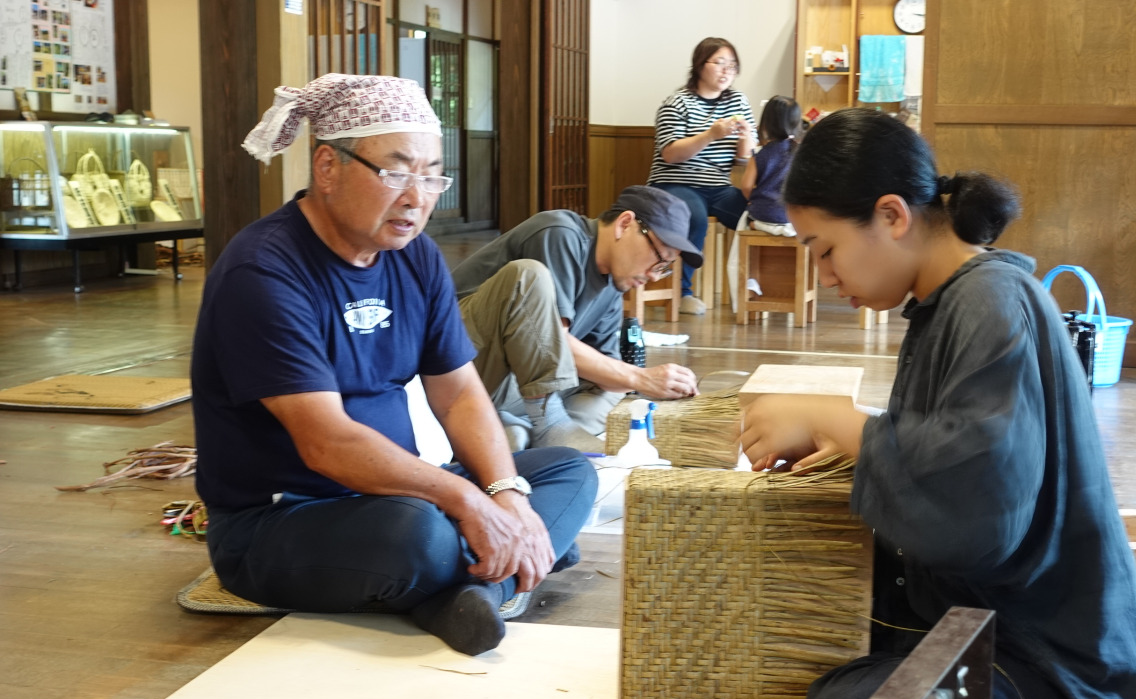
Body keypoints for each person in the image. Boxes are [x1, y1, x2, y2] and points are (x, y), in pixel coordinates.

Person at [738, 108, 1136, 699]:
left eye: (824, 249)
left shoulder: (991, 299)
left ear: (893, 216)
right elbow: (955, 443)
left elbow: (983, 504)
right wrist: (847, 441)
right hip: (991, 626)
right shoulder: (952, 300)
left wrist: (841, 423)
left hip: (1059, 672)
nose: (824, 276)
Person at [190, 74, 597, 657]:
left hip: (396, 494)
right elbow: (326, 443)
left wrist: (504, 494)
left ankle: (472, 586)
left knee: (567, 472)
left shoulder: (416, 258)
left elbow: (458, 394)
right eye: (398, 172)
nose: (419, 196)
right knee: (424, 536)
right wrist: (467, 502)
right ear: (327, 167)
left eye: (432, 175)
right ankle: (505, 568)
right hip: (282, 521)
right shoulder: (263, 272)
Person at [451, 185, 703, 453]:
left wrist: (656, 384)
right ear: (625, 224)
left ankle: (519, 433)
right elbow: (550, 341)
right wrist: (642, 377)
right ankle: (545, 427)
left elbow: (606, 374)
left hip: (512, 389)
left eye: (664, 269)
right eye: (659, 258)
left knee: (612, 392)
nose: (654, 275)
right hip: (462, 368)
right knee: (528, 275)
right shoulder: (560, 232)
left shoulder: (613, 289)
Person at [648, 37, 755, 316]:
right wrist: (711, 135)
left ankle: (756, 288)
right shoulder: (677, 102)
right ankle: (683, 293)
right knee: (692, 215)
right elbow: (670, 154)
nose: (726, 71)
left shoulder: (738, 100)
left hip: (718, 185)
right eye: (719, 63)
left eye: (732, 66)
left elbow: (743, 159)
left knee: (756, 215)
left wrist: (745, 138)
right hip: (675, 182)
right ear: (699, 65)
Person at [740, 95, 801, 238]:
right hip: (793, 218)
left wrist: (753, 199)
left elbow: (746, 186)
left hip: (763, 214)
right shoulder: (803, 153)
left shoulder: (759, 153)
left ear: (765, 124)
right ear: (796, 122)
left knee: (745, 219)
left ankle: (756, 227)